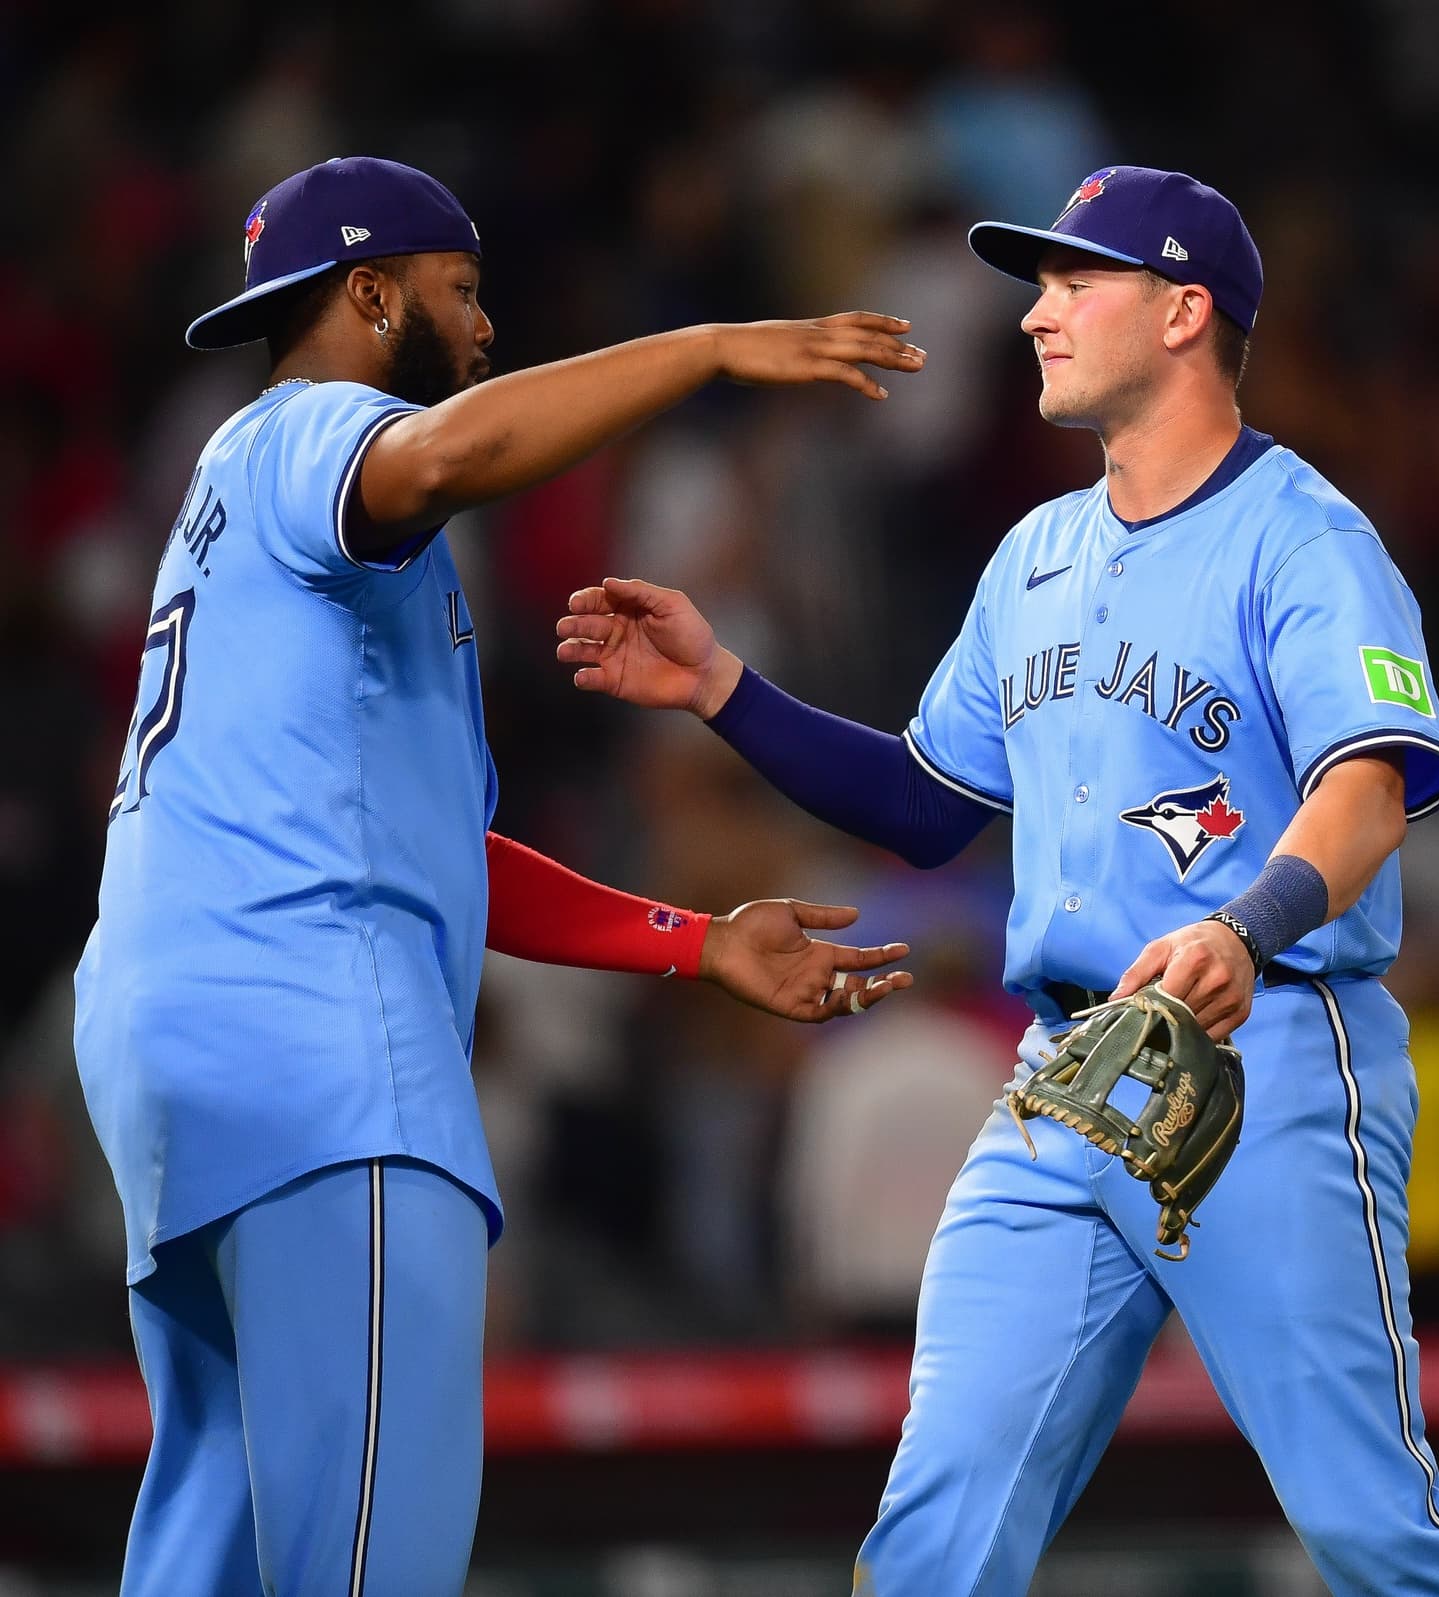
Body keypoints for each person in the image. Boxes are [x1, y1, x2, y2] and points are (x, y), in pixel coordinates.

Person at [555, 164, 1439, 1596]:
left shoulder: (1306, 537)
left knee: (1372, 1517)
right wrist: (722, 688)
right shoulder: (1036, 555)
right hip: (1064, 1074)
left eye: (1079, 282)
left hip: (1265, 1056)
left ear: (1186, 309)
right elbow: (924, 802)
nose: (1036, 316)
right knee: (937, 1524)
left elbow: (1367, 793)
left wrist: (1249, 928)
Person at [74, 155, 922, 1596]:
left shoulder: (242, 520)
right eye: (460, 293)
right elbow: (453, 451)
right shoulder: (314, 436)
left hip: (181, 1064)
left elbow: (428, 851)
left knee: (214, 1543)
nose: (481, 330)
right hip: (319, 1056)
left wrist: (692, 940)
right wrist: (704, 349)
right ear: (367, 292)